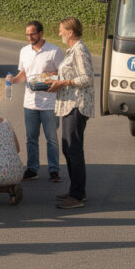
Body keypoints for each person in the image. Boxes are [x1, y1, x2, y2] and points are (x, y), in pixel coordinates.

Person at [6, 20, 63, 183]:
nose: (30, 37)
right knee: (31, 138)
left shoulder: (54, 51)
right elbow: (23, 74)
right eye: (27, 35)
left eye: (33, 34)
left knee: (51, 139)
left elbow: (63, 75)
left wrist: (51, 76)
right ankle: (32, 169)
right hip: (30, 103)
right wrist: (12, 80)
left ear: (41, 33)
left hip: (49, 103)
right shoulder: (24, 51)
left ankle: (54, 170)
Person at [48, 17, 95, 209]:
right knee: (68, 149)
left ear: (70, 32)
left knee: (73, 149)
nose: (59, 33)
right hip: (69, 104)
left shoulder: (80, 50)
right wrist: (54, 79)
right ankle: (77, 190)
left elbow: (87, 78)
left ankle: (77, 196)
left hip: (77, 105)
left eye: (61, 30)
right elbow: (71, 74)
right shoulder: (73, 50)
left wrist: (63, 83)